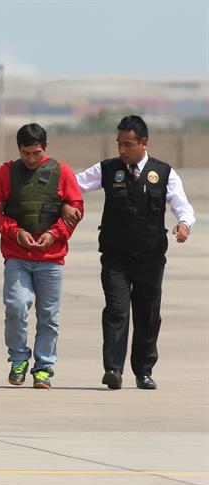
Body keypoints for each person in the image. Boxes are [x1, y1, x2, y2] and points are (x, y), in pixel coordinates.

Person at [61, 115, 195, 390]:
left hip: (150, 257)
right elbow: (74, 184)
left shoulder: (164, 172)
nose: (122, 150)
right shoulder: (108, 169)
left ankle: (143, 370)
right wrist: (64, 202)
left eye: (128, 144)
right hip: (115, 256)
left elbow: (182, 205)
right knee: (116, 311)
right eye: (119, 144)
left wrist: (184, 224)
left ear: (144, 143)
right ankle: (113, 369)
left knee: (147, 313)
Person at [0, 123, 83, 389]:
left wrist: (55, 233)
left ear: (45, 148)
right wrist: (14, 232)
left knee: (49, 315)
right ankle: (18, 358)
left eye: (36, 153)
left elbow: (76, 210)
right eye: (26, 153)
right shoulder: (5, 173)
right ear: (19, 149)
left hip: (51, 260)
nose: (30, 159)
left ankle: (44, 368)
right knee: (16, 306)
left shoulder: (62, 172)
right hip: (17, 257)